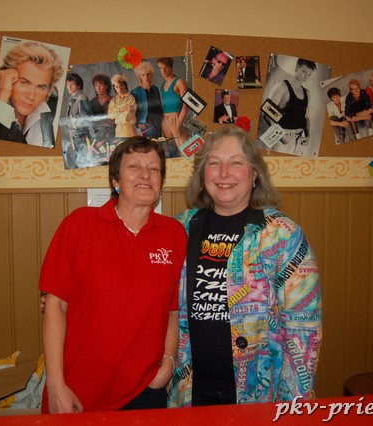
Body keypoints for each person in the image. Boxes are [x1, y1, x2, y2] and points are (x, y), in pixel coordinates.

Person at [168, 127, 321, 407]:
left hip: (260, 395)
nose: (224, 173)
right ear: (202, 174)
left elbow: (303, 328)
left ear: (254, 175)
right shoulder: (180, 229)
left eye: (236, 162)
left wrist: (292, 406)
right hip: (189, 391)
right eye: (214, 163)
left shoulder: (283, 235)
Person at [40, 136, 187, 413]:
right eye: (134, 166)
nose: (145, 174)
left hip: (145, 390)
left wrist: (167, 365)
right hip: (78, 390)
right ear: (115, 180)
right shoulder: (79, 225)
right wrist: (56, 384)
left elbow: (172, 311)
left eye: (154, 169)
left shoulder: (174, 235)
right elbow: (54, 307)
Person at [0, 41, 64, 148]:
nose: (31, 96)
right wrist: (2, 98)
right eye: (25, 82)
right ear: (8, 77)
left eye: (41, 87)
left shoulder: (50, 102)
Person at [267, 58, 316, 155]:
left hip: (299, 141)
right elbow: (266, 114)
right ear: (297, 68)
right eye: (304, 72)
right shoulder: (282, 87)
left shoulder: (307, 93)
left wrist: (308, 136)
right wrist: (280, 136)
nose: (306, 77)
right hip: (282, 139)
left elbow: (306, 117)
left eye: (309, 74)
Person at [157, 57, 188, 150]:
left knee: (185, 149)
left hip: (176, 117)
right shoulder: (163, 86)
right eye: (161, 68)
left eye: (166, 67)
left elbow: (186, 105)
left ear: (171, 67)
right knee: (172, 151)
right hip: (165, 120)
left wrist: (179, 123)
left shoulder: (179, 82)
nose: (163, 70)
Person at [65, 72, 94, 165]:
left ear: (78, 86)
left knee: (84, 158)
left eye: (72, 84)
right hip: (74, 133)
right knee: (79, 157)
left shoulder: (81, 98)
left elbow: (86, 118)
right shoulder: (72, 98)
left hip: (81, 134)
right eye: (68, 84)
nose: (69, 87)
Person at [131, 61, 163, 140]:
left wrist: (161, 121)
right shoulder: (135, 92)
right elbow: (133, 112)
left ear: (151, 75)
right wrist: (138, 124)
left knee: (159, 144)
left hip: (157, 123)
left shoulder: (155, 89)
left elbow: (159, 108)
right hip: (144, 125)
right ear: (139, 76)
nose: (146, 77)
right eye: (143, 75)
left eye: (148, 74)